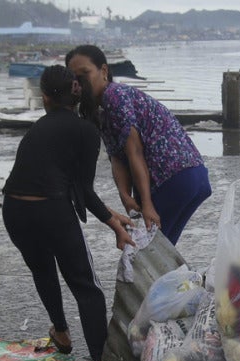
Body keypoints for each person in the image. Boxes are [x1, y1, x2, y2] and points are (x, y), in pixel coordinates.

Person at [2, 64, 135, 361]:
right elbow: (83, 191)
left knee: (43, 271)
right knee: (85, 286)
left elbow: (70, 187)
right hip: (52, 212)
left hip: (15, 210)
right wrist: (114, 224)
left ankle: (60, 333)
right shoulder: (86, 131)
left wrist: (110, 215)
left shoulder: (37, 129)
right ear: (75, 96)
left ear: (45, 97)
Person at [66, 44, 212, 245]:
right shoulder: (99, 110)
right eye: (75, 77)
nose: (81, 81)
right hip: (193, 177)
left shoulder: (114, 96)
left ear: (104, 71)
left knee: (146, 252)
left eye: (85, 73)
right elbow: (117, 157)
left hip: (173, 177)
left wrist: (147, 204)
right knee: (160, 251)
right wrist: (125, 196)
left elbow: (134, 152)